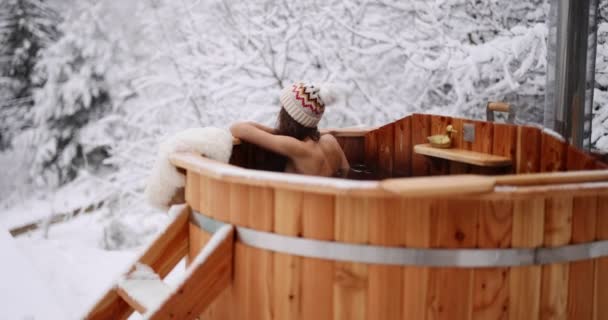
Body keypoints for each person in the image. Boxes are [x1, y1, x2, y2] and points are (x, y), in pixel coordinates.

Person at [230, 81, 350, 177]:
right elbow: (348, 173)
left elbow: (237, 128)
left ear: (288, 116)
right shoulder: (331, 141)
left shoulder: (297, 148)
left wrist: (277, 133)